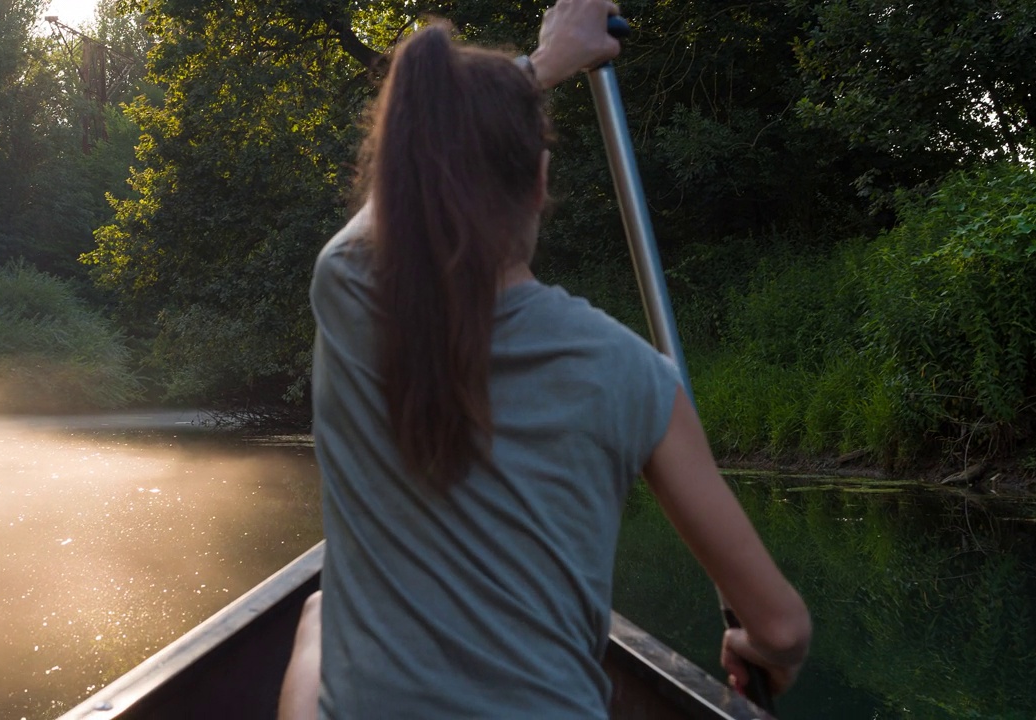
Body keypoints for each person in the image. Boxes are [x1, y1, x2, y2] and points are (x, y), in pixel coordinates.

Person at [279, 1, 812, 717]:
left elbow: (402, 189)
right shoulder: (632, 372)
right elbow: (781, 628)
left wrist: (547, 61)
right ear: (539, 180)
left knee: (319, 615)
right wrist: (759, 648)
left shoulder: (347, 291)